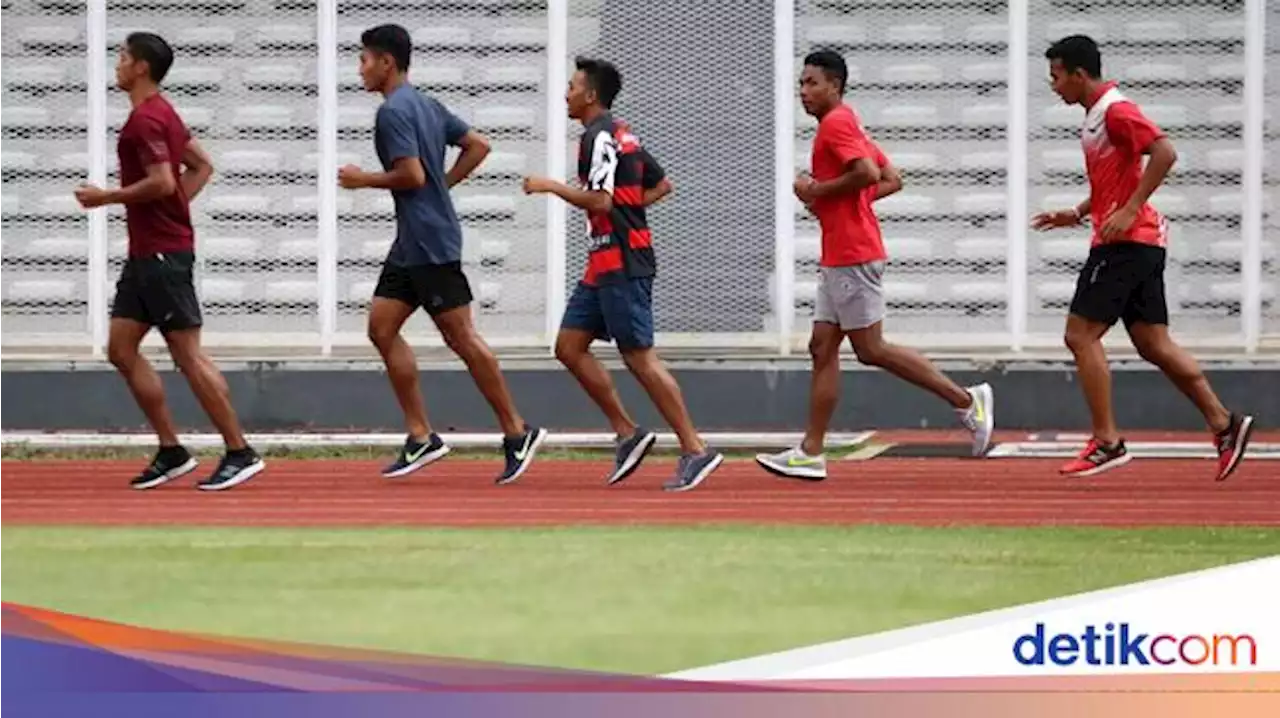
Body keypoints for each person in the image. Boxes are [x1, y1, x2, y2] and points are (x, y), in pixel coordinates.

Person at [755, 50, 995, 482]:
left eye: (812, 83)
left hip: (852, 253)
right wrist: (829, 199)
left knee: (871, 350)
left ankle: (965, 401)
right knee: (822, 347)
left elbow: (866, 174)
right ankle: (811, 451)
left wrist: (816, 191)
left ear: (835, 86)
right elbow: (891, 178)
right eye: (801, 84)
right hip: (840, 252)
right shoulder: (846, 122)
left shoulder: (837, 123)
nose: (803, 92)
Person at [1033, 35, 1254, 480]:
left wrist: (1131, 209)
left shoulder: (1115, 110)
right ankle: (1224, 423)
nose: (1053, 86)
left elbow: (1165, 153)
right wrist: (1077, 213)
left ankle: (1107, 442)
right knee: (1154, 344)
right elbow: (1115, 178)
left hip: (1127, 243)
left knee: (1080, 336)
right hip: (1142, 241)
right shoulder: (1097, 116)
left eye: (1057, 77)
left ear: (1079, 74)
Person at [339, 24, 546, 484]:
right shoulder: (426, 104)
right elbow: (479, 146)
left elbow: (410, 176)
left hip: (430, 244)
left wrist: (361, 180)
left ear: (386, 62)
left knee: (462, 337)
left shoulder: (394, 111)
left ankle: (517, 431)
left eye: (364, 59)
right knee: (381, 327)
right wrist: (443, 187)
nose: (361, 68)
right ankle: (420, 436)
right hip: (412, 243)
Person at [521, 57, 723, 492]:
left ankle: (695, 449)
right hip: (603, 263)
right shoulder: (623, 134)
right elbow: (662, 185)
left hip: (623, 263)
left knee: (639, 357)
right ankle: (628, 432)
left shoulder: (599, 137)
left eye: (572, 86)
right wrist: (628, 209)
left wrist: (549, 186)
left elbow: (600, 202)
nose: (566, 93)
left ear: (590, 95)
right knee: (569, 346)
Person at [73, 32, 265, 492]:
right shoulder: (162, 114)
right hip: (148, 254)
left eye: (122, 57)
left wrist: (107, 197)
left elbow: (162, 182)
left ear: (140, 67)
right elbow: (199, 167)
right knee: (120, 348)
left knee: (187, 355)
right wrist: (174, 210)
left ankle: (240, 451)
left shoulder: (147, 121)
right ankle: (171, 450)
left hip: (162, 255)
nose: (116, 65)